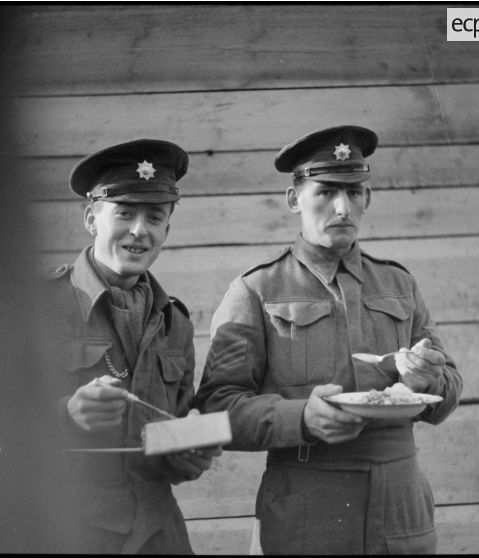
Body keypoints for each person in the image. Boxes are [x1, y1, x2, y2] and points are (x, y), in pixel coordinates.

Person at [194, 125, 462, 555]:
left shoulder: (399, 283)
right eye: (325, 191)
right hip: (307, 507)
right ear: (294, 198)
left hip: (401, 506)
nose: (342, 207)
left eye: (354, 192)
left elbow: (448, 390)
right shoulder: (256, 290)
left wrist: (427, 379)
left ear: (367, 198)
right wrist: (301, 417)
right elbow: (216, 406)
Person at [38, 139, 221, 554]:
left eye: (154, 217)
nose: (139, 231)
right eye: (124, 213)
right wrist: (65, 412)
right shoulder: (36, 304)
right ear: (91, 219)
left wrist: (188, 453)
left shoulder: (175, 322)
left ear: (166, 231)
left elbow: (167, 437)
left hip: (159, 535)